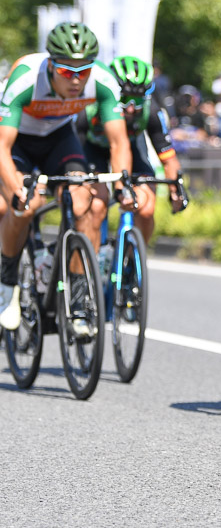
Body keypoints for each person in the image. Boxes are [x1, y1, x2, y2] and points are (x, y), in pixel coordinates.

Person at [0, 22, 123, 334]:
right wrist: (18, 189)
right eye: (67, 71)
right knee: (24, 206)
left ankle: (79, 299)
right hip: (19, 143)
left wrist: (121, 185)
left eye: (84, 71)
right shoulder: (26, 77)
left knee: (88, 202)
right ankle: (7, 282)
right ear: (50, 65)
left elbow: (119, 142)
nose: (77, 79)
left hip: (59, 138)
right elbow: (2, 145)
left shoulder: (104, 80)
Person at [78, 55, 187, 243]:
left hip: (133, 148)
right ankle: (92, 258)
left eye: (137, 100)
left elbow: (168, 156)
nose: (131, 108)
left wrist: (176, 188)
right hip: (93, 149)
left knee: (146, 209)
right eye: (125, 99)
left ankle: (134, 258)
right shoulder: (91, 106)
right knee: (97, 203)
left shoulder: (151, 110)